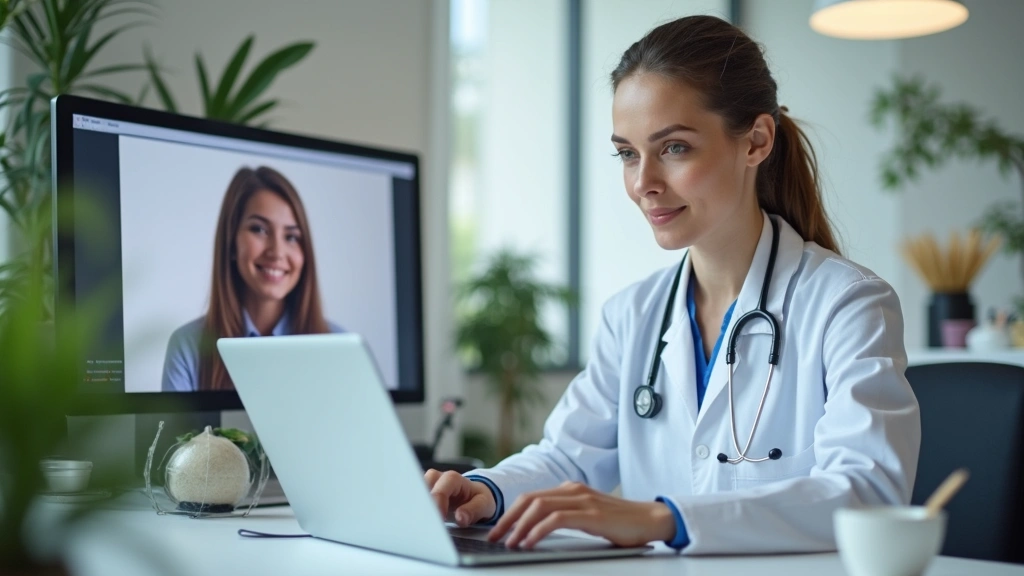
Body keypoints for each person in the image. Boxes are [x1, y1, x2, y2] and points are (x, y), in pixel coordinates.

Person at [425, 15, 920, 554]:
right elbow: (568, 457)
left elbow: (867, 492)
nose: (643, 184)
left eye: (674, 148)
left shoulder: (847, 304)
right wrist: (485, 490)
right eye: (627, 153)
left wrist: (664, 519)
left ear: (756, 141)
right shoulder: (632, 314)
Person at [162, 166, 343, 392]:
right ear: (231, 243)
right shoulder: (188, 347)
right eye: (259, 229)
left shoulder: (339, 346)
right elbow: (173, 429)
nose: (277, 252)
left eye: (291, 237)